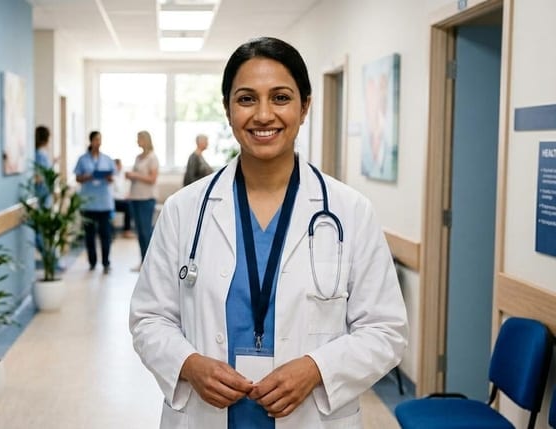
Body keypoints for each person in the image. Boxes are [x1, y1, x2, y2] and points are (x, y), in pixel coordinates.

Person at [129, 37, 407, 428]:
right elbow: (148, 317)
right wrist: (188, 364)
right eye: (246, 99)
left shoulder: (350, 211)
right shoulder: (184, 210)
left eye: (280, 98)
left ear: (304, 106)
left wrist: (317, 369)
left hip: (310, 415)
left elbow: (386, 329)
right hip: (205, 415)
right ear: (227, 109)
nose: (263, 115)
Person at [74, 130, 115, 274]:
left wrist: (107, 177)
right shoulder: (83, 159)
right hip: (88, 203)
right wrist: (88, 177)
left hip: (104, 203)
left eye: (100, 140)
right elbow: (77, 178)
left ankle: (106, 262)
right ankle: (92, 262)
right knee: (89, 235)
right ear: (91, 141)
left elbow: (112, 178)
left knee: (106, 235)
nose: (98, 142)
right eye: (96, 140)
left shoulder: (107, 159)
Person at [126, 130, 159, 263]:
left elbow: (152, 178)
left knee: (146, 232)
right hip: (135, 198)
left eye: (139, 139)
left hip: (147, 199)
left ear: (146, 140)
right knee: (139, 232)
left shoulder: (152, 158)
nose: (137, 141)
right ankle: (142, 261)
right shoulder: (138, 157)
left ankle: (150, 262)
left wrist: (135, 175)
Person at [112, 158, 134, 238]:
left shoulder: (124, 175)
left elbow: (127, 187)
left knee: (129, 206)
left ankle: (127, 231)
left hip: (122, 200)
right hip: (113, 201)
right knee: (128, 206)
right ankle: (124, 230)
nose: (119, 167)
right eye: (117, 165)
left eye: (120, 165)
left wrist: (128, 195)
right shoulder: (111, 176)